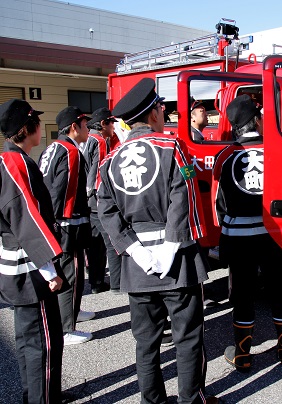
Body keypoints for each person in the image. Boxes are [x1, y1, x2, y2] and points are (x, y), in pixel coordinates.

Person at [97, 78, 211, 403]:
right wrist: (170, 248)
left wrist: (138, 252)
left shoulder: (109, 161)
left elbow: (106, 211)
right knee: (187, 338)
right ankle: (191, 400)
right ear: (154, 113)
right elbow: (184, 194)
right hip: (177, 264)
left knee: (146, 342)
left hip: (137, 266)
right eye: (162, 108)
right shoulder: (171, 147)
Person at [212, 94, 282, 372]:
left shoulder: (225, 155)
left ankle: (243, 355)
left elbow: (217, 202)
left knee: (243, 294)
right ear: (256, 120)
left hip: (238, 238)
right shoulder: (277, 150)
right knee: (279, 289)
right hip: (274, 234)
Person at [0, 99, 64, 403]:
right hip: (31, 269)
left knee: (28, 341)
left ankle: (33, 397)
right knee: (43, 344)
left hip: (16, 266)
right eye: (36, 122)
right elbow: (25, 216)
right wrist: (49, 268)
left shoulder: (9, 161)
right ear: (27, 129)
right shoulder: (16, 162)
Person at [38, 106, 94, 345]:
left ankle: (73, 311)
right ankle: (65, 328)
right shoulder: (70, 151)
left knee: (73, 273)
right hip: (67, 225)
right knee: (71, 273)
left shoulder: (52, 147)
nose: (88, 128)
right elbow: (62, 193)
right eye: (85, 124)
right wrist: (58, 223)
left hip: (58, 222)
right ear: (74, 126)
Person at [81, 107, 121, 294]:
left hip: (86, 201)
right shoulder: (99, 141)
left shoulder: (87, 138)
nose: (114, 126)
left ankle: (96, 283)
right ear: (103, 124)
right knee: (112, 241)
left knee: (94, 244)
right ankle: (117, 283)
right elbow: (99, 170)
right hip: (97, 198)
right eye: (111, 122)